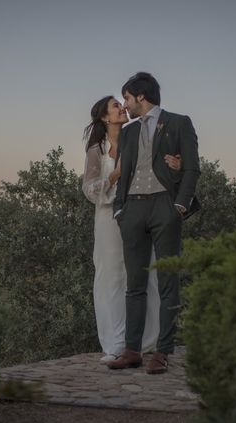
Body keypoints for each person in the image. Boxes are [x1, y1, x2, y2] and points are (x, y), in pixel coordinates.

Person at [107, 72, 200, 374]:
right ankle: (132, 350)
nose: (125, 105)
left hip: (165, 207)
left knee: (167, 281)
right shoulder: (130, 132)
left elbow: (192, 169)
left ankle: (163, 350)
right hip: (132, 209)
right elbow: (126, 171)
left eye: (128, 98)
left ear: (141, 97)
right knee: (134, 284)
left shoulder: (179, 123)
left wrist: (179, 206)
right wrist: (120, 210)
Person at [82, 95, 182, 363]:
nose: (122, 108)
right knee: (111, 275)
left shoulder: (137, 139)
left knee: (142, 274)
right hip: (107, 220)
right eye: (116, 105)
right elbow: (89, 189)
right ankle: (114, 343)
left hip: (138, 214)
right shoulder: (97, 150)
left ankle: (142, 342)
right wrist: (115, 174)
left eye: (122, 103)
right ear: (105, 117)